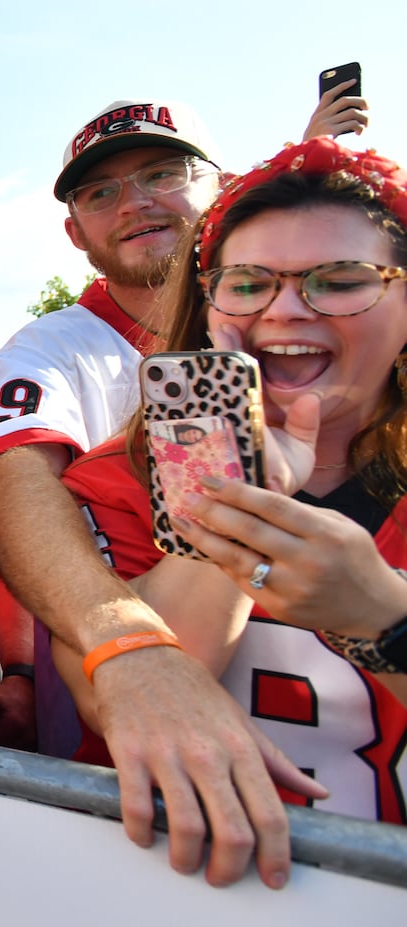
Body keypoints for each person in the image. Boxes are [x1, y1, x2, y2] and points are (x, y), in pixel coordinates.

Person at [0, 95, 363, 888]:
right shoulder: (60, 360)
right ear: (73, 234)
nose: (134, 202)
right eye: (99, 192)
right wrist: (128, 643)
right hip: (157, 802)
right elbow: (15, 488)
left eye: (162, 173)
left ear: (225, 194)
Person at [59, 137, 406, 827]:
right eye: (247, 283)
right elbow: (116, 698)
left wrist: (383, 619)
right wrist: (232, 483)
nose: (284, 311)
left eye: (339, 280)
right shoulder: (111, 481)